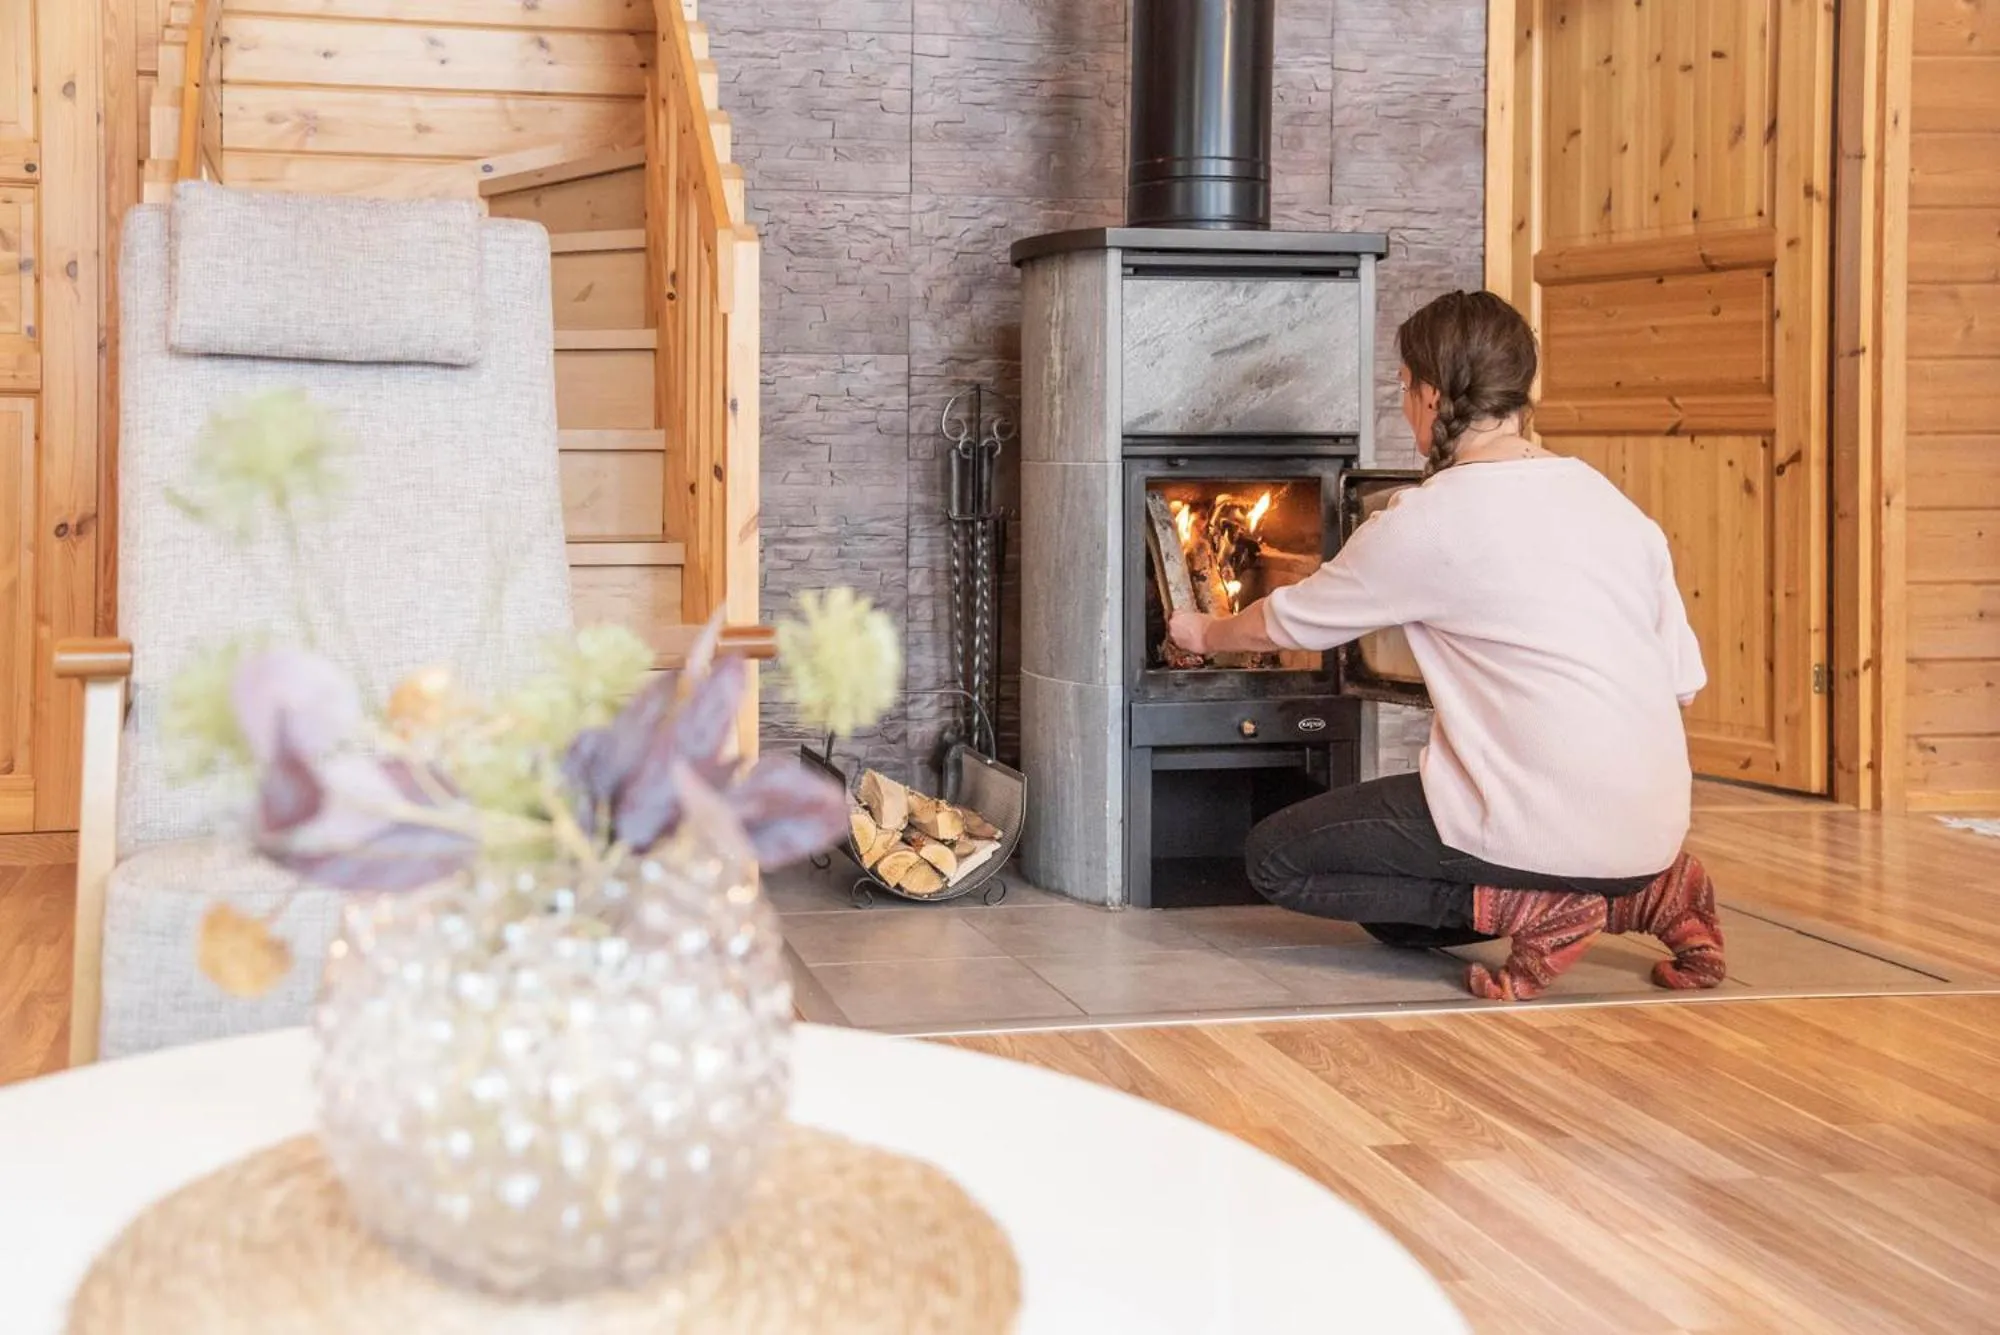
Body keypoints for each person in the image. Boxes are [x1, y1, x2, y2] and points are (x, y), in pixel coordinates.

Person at [1168, 290, 1724, 1001]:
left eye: (1403, 390)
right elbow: (1682, 683)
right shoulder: (1614, 506)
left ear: (1430, 395)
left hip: (1538, 825)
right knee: (1400, 925)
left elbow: (1295, 622)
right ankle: (1640, 895)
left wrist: (1206, 632)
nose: (1405, 410)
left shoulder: (1432, 519)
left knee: (1278, 858)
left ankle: (1544, 907)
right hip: (1653, 826)